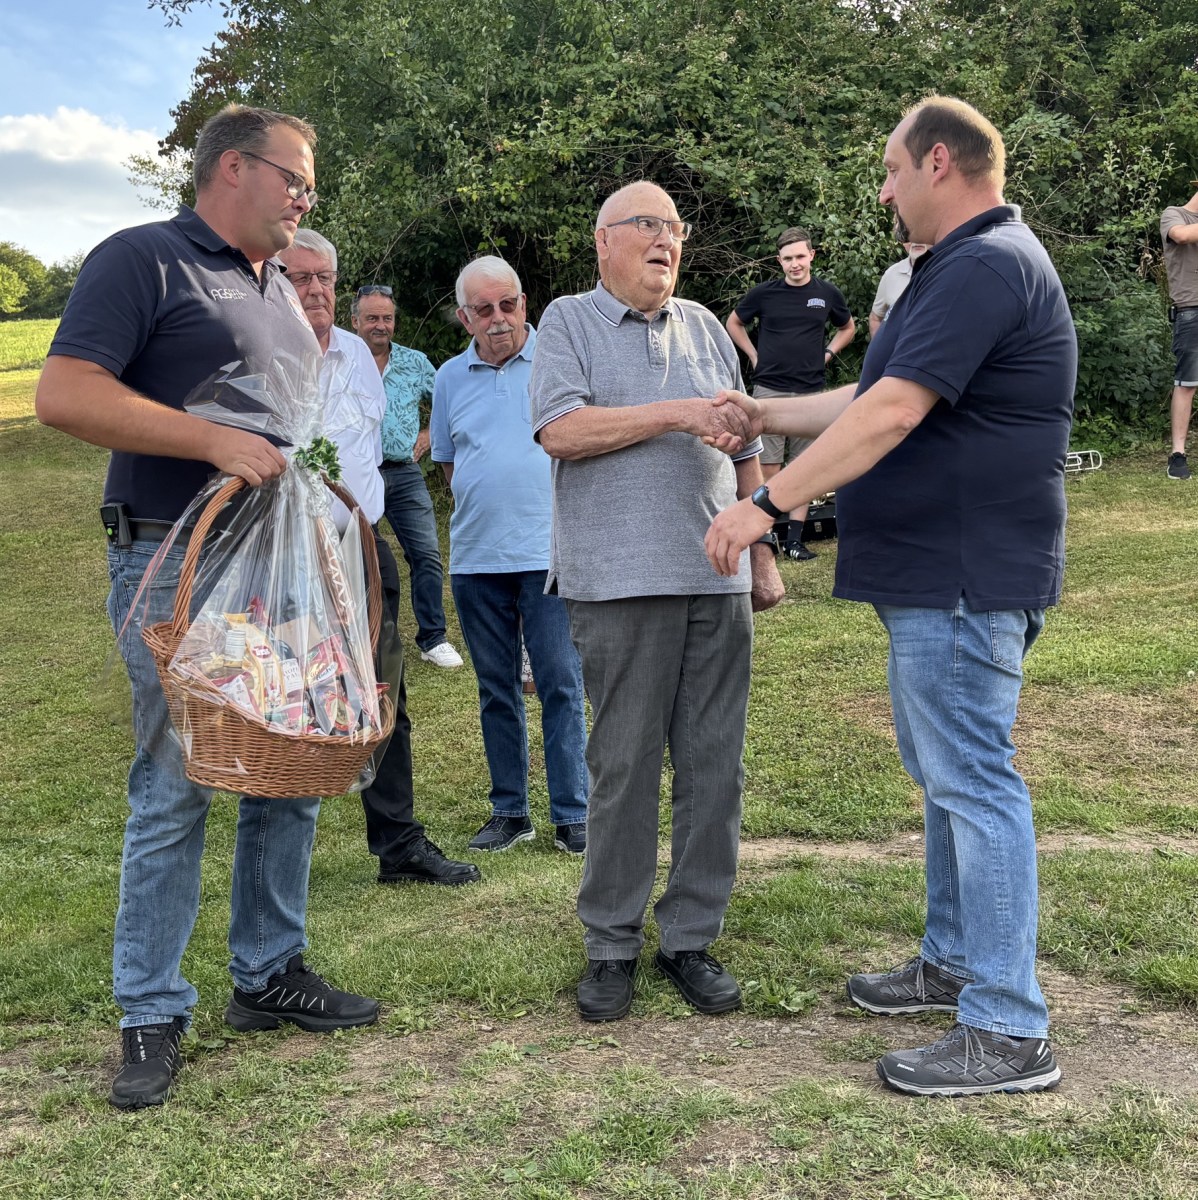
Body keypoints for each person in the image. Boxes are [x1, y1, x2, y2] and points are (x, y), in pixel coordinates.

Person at [706, 96, 1075, 1096]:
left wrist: (766, 504)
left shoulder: (985, 265)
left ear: (939, 163)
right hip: (945, 571)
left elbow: (895, 415)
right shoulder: (954, 269)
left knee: (974, 782)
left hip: (963, 571)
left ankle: (1007, 1027)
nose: (883, 190)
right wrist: (766, 413)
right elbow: (875, 394)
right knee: (950, 775)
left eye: (891, 169)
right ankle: (953, 962)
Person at [34, 105, 380, 1111]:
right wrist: (211, 440)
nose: (306, 197)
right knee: (176, 781)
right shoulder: (145, 257)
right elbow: (64, 394)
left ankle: (268, 972)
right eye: (295, 177)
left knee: (289, 761)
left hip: (277, 562)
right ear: (233, 166)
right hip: (171, 561)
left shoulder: (277, 286)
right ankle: (150, 1009)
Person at [530, 182, 784, 1023]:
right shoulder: (568, 321)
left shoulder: (707, 325)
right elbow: (561, 431)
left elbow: (744, 447)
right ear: (604, 241)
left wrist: (760, 548)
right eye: (648, 225)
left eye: (674, 227)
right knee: (625, 767)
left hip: (716, 577)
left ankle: (690, 939)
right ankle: (610, 943)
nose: (666, 240)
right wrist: (675, 413)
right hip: (619, 582)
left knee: (715, 766)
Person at [278, 230, 480, 888]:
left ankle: (400, 845)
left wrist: (364, 532)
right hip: (285, 557)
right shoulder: (258, 356)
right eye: (299, 277)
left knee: (384, 693)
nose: (315, 289)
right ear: (273, 282)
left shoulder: (357, 358)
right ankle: (280, 860)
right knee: (288, 698)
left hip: (360, 548)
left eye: (324, 278)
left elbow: (365, 455)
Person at [430, 256, 590, 855]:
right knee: (496, 690)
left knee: (560, 683)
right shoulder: (449, 378)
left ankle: (573, 813)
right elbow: (449, 463)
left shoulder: (559, 359)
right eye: (484, 309)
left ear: (524, 304)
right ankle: (510, 812)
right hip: (476, 559)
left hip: (548, 552)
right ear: (465, 317)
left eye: (508, 304)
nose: (498, 318)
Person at [726, 226, 855, 560]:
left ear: (811, 255)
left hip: (811, 392)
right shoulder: (764, 294)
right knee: (767, 467)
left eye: (800, 256)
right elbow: (734, 322)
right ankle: (766, 537)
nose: (794, 264)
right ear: (779, 261)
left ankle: (795, 542)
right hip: (769, 391)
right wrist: (753, 355)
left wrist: (828, 353)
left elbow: (848, 327)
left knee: (805, 467)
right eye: (787, 259)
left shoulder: (827, 294)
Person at [350, 284, 464, 664]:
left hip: (403, 472)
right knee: (361, 557)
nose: (381, 325)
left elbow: (450, 402)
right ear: (355, 321)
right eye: (372, 318)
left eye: (387, 318)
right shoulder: (341, 361)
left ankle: (433, 639)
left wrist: (430, 433)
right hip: (355, 474)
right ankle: (369, 638)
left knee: (426, 553)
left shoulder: (414, 362)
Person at [1160, 182, 1198, 480]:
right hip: (1191, 310)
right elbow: (1181, 236)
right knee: (1187, 383)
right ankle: (1178, 455)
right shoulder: (1174, 215)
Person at [869, 239, 929, 338]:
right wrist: (879, 346)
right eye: (910, 235)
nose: (917, 240)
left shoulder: (947, 270)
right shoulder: (891, 274)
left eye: (922, 234)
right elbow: (875, 318)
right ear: (903, 243)